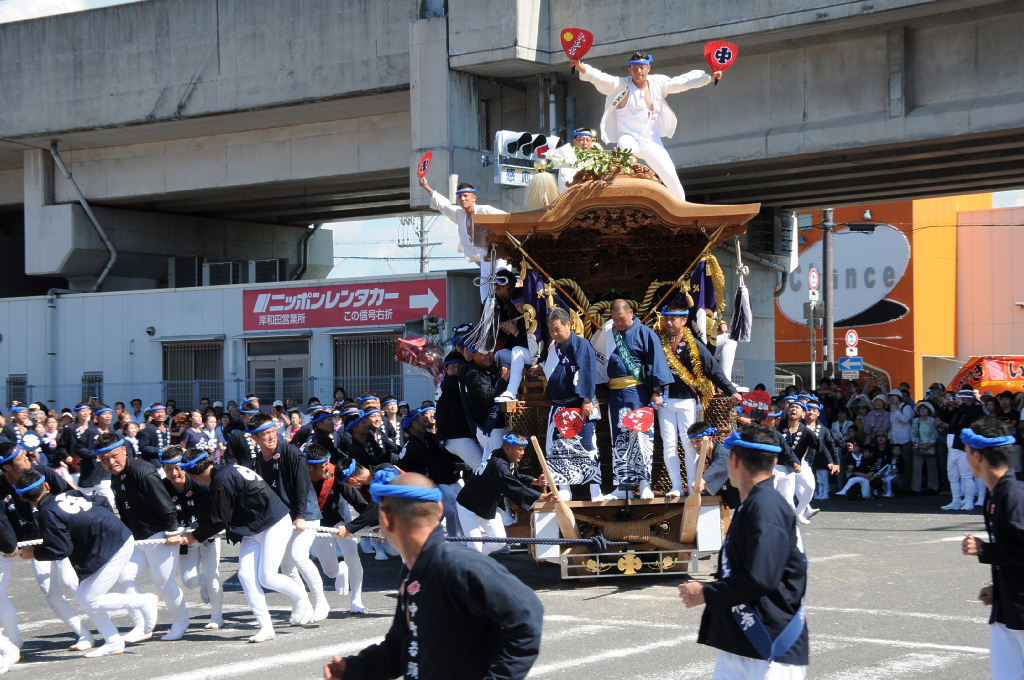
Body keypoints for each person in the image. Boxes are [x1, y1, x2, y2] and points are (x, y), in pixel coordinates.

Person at [323, 471, 544, 680]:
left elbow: (527, 612)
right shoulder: (413, 572)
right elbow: (401, 647)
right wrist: (354, 669)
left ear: (386, 520)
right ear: (439, 510)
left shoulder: (457, 564)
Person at [678, 425, 808, 678]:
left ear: (735, 460)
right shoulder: (755, 504)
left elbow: (761, 578)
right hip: (743, 644)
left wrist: (706, 592)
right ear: (774, 462)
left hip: (770, 648)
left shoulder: (766, 508)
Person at [16, 469, 159, 658]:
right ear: (47, 486)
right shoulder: (70, 493)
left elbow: (61, 549)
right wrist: (103, 524)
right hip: (112, 538)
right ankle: (113, 641)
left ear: (23, 498)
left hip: (112, 546)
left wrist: (33, 552)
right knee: (84, 597)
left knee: (91, 599)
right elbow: (102, 501)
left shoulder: (47, 513)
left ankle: (144, 601)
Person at [178, 447, 313, 641]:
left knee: (267, 577)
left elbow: (219, 520)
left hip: (273, 523)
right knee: (246, 576)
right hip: (253, 529)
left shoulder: (222, 480)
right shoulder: (225, 472)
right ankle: (266, 627)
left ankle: (301, 598)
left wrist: (194, 536)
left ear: (194, 474)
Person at [572, 51, 722, 202]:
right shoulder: (620, 85)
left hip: (651, 139)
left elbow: (682, 82)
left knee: (670, 175)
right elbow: (599, 77)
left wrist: (709, 78)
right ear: (629, 69)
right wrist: (581, 67)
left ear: (648, 68)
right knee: (625, 153)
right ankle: (622, 198)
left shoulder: (658, 83)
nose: (638, 71)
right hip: (627, 137)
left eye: (642, 67)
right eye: (635, 68)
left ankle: (682, 206)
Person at [95, 432, 190, 641]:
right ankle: (142, 624)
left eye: (114, 456)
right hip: (137, 538)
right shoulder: (116, 476)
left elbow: (164, 502)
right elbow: (123, 509)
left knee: (163, 582)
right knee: (124, 576)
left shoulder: (140, 469)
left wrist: (172, 531)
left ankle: (181, 620)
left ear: (124, 450)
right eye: (104, 459)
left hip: (160, 534)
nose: (111, 462)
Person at [0, 438, 93, 652]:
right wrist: (11, 545)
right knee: (50, 593)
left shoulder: (43, 473)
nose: (28, 457)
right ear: (7, 467)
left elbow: (72, 496)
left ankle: (105, 624)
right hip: (32, 545)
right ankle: (83, 634)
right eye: (21, 457)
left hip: (61, 537)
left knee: (71, 583)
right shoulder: (1, 486)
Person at [246, 413, 328, 622]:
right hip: (281, 519)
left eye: (273, 431)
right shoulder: (256, 462)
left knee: (299, 556)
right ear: (254, 438)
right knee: (286, 566)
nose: (271, 437)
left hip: (305, 514)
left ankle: (321, 601)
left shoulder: (291, 452)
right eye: (265, 434)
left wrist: (300, 515)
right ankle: (303, 605)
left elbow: (302, 485)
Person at [960, 417, 1024, 679]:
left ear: (978, 456)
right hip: (1008, 607)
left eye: (967, 452)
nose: (965, 458)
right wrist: (998, 587)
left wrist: (984, 550)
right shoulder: (996, 491)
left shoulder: (1015, 493)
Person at [657, 301, 740, 498]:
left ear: (684, 320)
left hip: (688, 400)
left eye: (674, 318)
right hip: (666, 400)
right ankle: (676, 486)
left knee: (689, 444)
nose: (669, 322)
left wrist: (731, 390)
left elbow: (713, 369)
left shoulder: (694, 344)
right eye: (667, 318)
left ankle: (694, 485)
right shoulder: (659, 343)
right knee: (669, 444)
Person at [598, 299, 673, 499]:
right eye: (615, 320)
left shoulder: (645, 333)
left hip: (638, 393)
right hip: (616, 394)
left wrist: (657, 391)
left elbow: (656, 362)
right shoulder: (610, 334)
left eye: (622, 319)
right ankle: (624, 487)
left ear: (631, 313)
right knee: (620, 438)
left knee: (641, 436)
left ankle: (645, 484)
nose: (619, 323)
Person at [159, 446, 224, 630]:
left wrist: (206, 528)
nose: (174, 473)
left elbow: (218, 508)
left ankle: (217, 616)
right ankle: (204, 584)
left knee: (212, 576)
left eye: (178, 467)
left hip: (208, 535)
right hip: (184, 540)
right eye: (168, 468)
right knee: (189, 581)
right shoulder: (162, 487)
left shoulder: (199, 481)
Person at [541, 307, 601, 501]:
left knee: (587, 445)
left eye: (558, 329)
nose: (554, 334)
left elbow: (587, 371)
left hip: (580, 403)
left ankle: (595, 491)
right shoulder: (556, 347)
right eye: (551, 330)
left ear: (569, 325)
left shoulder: (581, 344)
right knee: (559, 447)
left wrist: (587, 399)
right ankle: (565, 489)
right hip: (560, 403)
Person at [418, 177, 509, 302]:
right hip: (485, 259)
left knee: (503, 290)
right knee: (485, 298)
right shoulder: (460, 214)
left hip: (499, 257)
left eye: (466, 196)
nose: (462, 199)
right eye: (460, 197)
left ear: (474, 198)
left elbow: (507, 218)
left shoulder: (485, 210)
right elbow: (444, 206)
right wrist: (426, 187)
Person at [456, 434, 548, 554]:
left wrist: (534, 481)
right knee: (475, 547)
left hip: (487, 506)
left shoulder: (500, 455)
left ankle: (479, 560)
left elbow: (512, 476)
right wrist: (540, 496)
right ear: (508, 448)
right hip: (468, 506)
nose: (523, 453)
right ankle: (476, 562)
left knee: (499, 541)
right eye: (520, 449)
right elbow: (511, 485)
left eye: (524, 449)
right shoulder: (498, 465)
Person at [305, 445, 366, 614]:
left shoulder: (334, 473)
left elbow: (358, 501)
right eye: (323, 466)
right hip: (318, 526)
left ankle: (356, 600)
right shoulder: (301, 477)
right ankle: (341, 570)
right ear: (310, 468)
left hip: (340, 520)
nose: (327, 468)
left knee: (352, 556)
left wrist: (375, 524)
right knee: (330, 571)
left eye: (328, 463)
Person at [397, 406, 465, 535]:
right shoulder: (414, 446)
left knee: (450, 509)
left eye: (422, 417)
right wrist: (457, 465)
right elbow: (434, 461)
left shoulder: (426, 437)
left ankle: (454, 539)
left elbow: (443, 451)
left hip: (427, 483)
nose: (423, 420)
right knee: (444, 511)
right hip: (410, 487)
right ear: (411, 428)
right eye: (418, 420)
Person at [545, 127, 600, 192]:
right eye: (581, 139)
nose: (585, 143)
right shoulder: (567, 158)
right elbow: (567, 183)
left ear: (591, 142)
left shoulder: (597, 159)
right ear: (574, 141)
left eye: (588, 140)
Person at [911, 400, 940, 494]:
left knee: (932, 467)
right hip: (918, 446)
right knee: (916, 467)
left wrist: (929, 444)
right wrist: (916, 443)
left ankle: (933, 488)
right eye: (920, 409)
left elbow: (935, 434)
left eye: (924, 408)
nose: (922, 410)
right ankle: (915, 488)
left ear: (929, 410)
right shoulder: (915, 421)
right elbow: (913, 433)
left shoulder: (933, 421)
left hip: (930, 446)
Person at [137, 402, 172, 469]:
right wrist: (159, 450)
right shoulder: (147, 429)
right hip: (152, 465)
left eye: (162, 412)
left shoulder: (167, 427)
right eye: (157, 412)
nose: (160, 414)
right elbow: (142, 447)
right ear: (151, 415)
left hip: (166, 463)